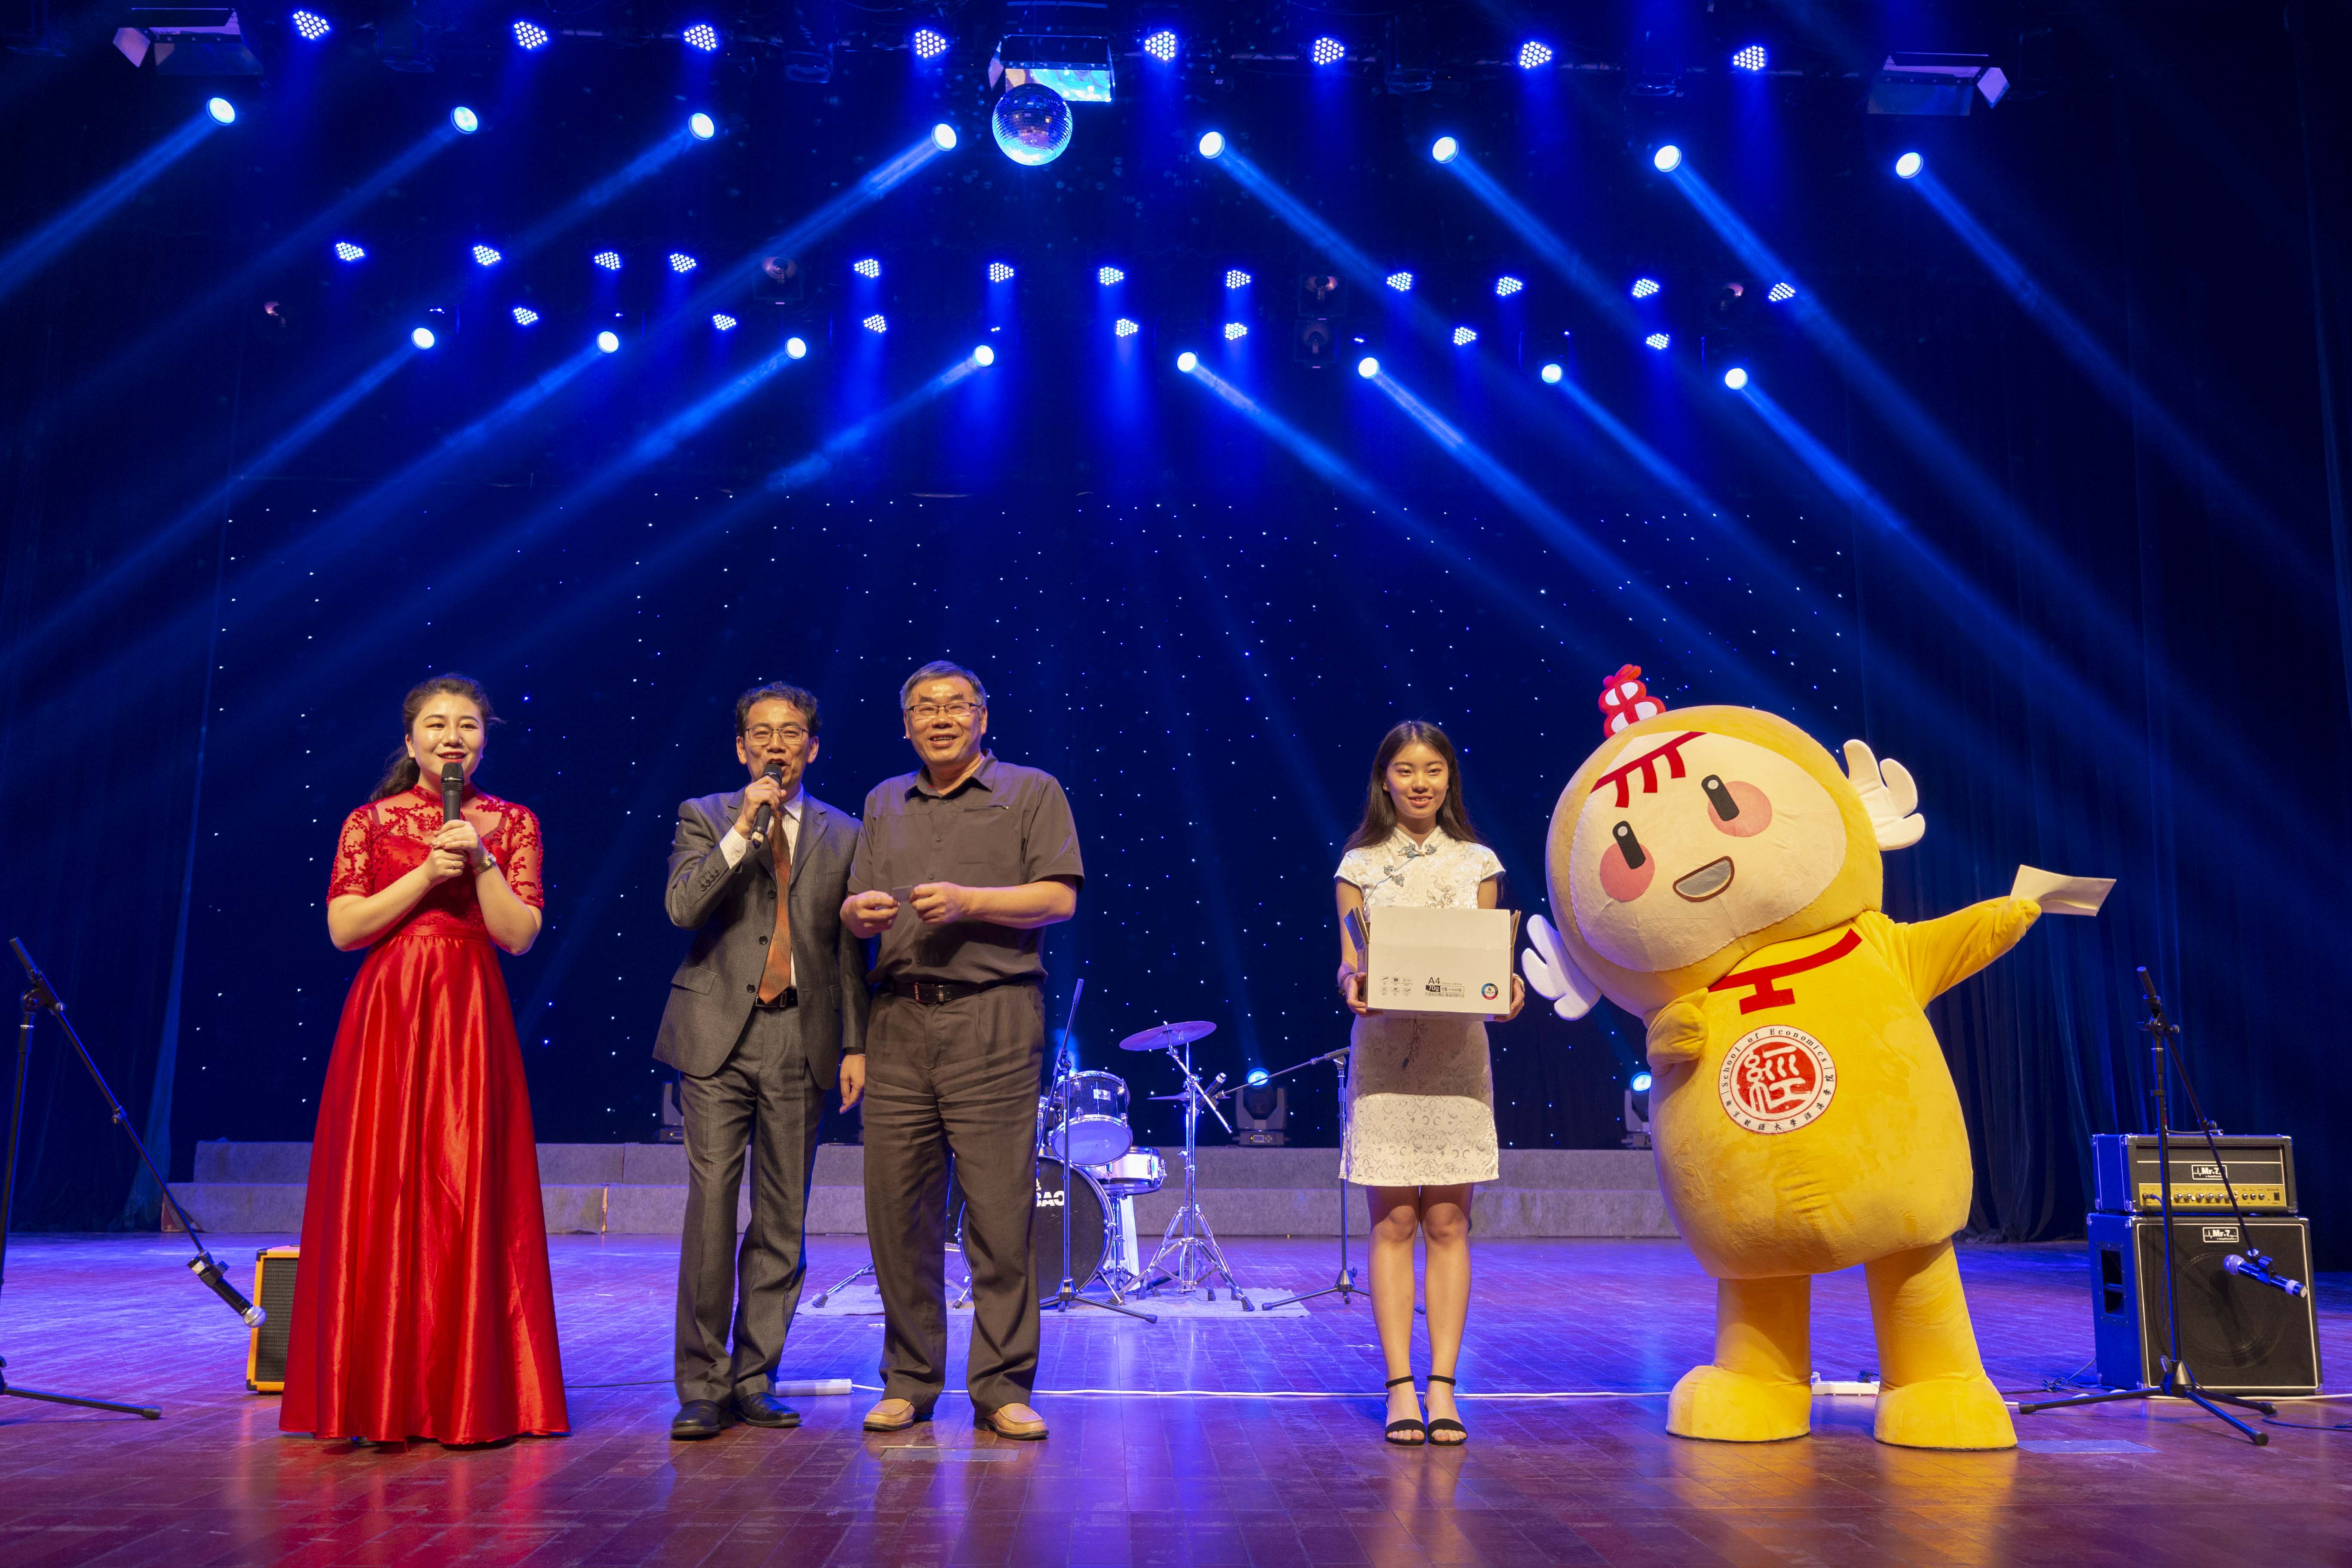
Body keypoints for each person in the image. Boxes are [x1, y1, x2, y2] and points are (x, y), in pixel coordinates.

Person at [282, 674, 567, 1447]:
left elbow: (519, 936)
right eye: (437, 725)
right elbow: (346, 929)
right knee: (380, 1188)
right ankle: (375, 1394)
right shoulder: (369, 822)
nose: (452, 738)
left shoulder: (512, 822)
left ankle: (467, 1393)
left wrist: (480, 862)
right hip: (390, 1014)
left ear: (484, 741)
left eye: (468, 725)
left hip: (470, 1015)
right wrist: (426, 874)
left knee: (468, 1184)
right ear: (410, 742)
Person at [839, 661, 1083, 1441]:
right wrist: (856, 913)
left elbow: (1060, 896)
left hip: (993, 1016)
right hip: (898, 1018)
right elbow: (854, 906)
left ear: (984, 716)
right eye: (924, 708)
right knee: (898, 1214)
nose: (940, 718)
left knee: (1000, 1214)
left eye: (955, 706)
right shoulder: (883, 800)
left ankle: (1002, 1385)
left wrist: (971, 901)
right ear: (905, 723)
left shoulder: (1032, 790)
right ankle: (909, 1381)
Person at [657, 682, 869, 1440]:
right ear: (742, 747)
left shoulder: (847, 832)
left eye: (792, 732)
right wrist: (745, 826)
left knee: (783, 1217)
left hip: (800, 1036)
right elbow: (683, 908)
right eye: (762, 732)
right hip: (716, 1034)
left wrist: (856, 1043)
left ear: (813, 746)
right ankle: (702, 1385)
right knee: (712, 1211)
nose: (777, 744)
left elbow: (850, 950)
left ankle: (755, 1379)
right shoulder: (706, 814)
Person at [1334, 720, 1524, 1448]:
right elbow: (1349, 960)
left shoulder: (1479, 862)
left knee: (1448, 1222)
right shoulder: (1358, 865)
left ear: (1450, 778)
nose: (1420, 783)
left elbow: (1485, 958)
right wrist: (1352, 983)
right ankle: (1398, 1389)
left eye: (1434, 769)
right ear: (1385, 779)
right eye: (1406, 770)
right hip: (1385, 1060)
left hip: (1456, 1060)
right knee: (1393, 1223)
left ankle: (1443, 1386)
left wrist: (1505, 987)